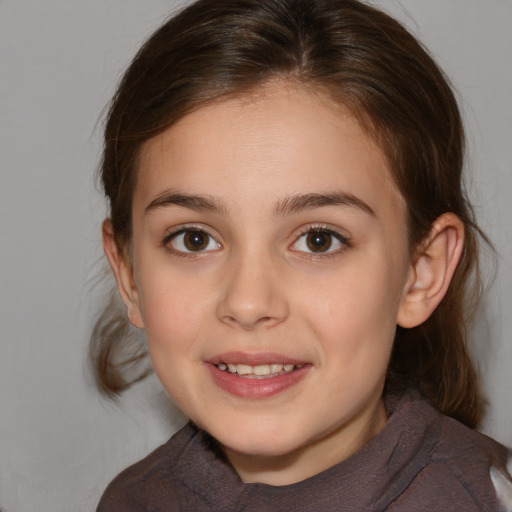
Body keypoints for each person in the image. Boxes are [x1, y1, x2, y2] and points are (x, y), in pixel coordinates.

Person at [91, 0, 511, 509]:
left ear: (420, 273)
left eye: (318, 240)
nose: (248, 303)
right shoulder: (134, 500)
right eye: (195, 239)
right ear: (130, 272)